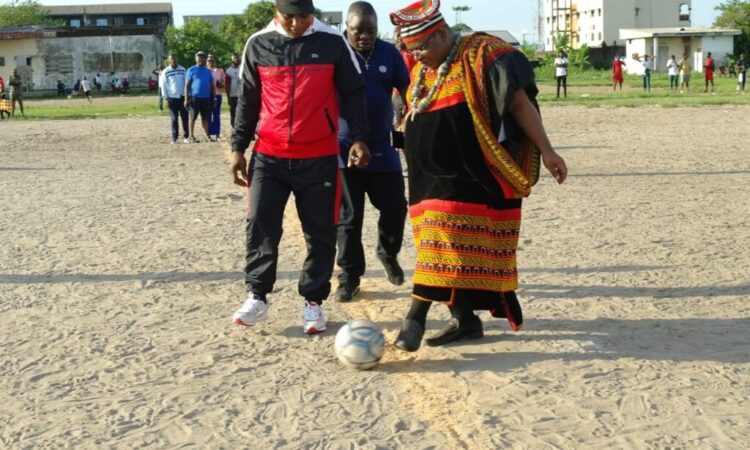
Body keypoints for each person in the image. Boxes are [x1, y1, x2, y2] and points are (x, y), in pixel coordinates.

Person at [389, 0, 567, 351]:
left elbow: (518, 104)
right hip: (426, 180)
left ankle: (415, 319)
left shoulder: (483, 55)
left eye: (421, 47)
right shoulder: (424, 72)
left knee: (440, 247)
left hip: (470, 177)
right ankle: (466, 320)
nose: (417, 55)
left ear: (441, 33)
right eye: (411, 50)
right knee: (439, 249)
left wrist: (547, 150)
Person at [229, 0, 371, 334]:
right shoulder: (259, 43)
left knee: (320, 231)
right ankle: (257, 296)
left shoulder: (332, 42)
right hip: (269, 155)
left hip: (319, 156)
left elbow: (353, 93)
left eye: (303, 17)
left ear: (313, 13)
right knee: (261, 225)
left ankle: (313, 303)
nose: (296, 24)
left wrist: (360, 139)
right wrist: (238, 147)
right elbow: (248, 100)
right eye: (289, 17)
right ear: (277, 13)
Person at [333, 1, 410, 302]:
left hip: (383, 145)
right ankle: (349, 276)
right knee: (349, 218)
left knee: (395, 207)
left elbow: (407, 90)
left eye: (371, 31)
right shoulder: (337, 53)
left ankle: (387, 252)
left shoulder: (389, 53)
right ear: (346, 30)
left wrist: (405, 124)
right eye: (357, 31)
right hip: (344, 148)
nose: (365, 36)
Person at [184, 51, 216, 143]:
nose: (200, 59)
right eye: (199, 57)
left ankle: (207, 136)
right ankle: (191, 136)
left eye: (202, 57)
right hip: (194, 97)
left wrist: (214, 97)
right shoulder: (191, 70)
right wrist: (186, 99)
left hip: (206, 98)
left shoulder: (207, 71)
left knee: (206, 118)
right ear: (196, 59)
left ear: (205, 59)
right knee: (193, 117)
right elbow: (187, 85)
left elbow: (212, 85)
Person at [160, 53, 190, 144]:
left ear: (177, 59)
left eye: (174, 58)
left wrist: (187, 97)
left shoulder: (182, 69)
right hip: (172, 98)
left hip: (182, 97)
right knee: (174, 119)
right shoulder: (166, 71)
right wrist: (166, 98)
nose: (173, 60)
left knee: (185, 117)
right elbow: (164, 86)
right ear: (169, 60)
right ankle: (174, 138)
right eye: (171, 59)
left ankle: (186, 137)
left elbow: (186, 83)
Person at [207, 54, 226, 141]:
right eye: (209, 61)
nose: (210, 62)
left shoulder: (220, 71)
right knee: (208, 115)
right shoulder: (205, 71)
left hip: (217, 95)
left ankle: (217, 134)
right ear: (207, 62)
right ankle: (209, 134)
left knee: (216, 115)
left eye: (212, 61)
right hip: (207, 96)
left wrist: (220, 84)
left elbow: (224, 84)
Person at [224, 53, 241, 128]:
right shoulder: (229, 71)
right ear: (231, 59)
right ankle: (234, 128)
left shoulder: (244, 68)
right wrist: (228, 97)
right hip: (233, 95)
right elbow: (227, 85)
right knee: (233, 113)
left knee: (243, 113)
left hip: (243, 95)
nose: (236, 59)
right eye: (234, 58)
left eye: (238, 57)